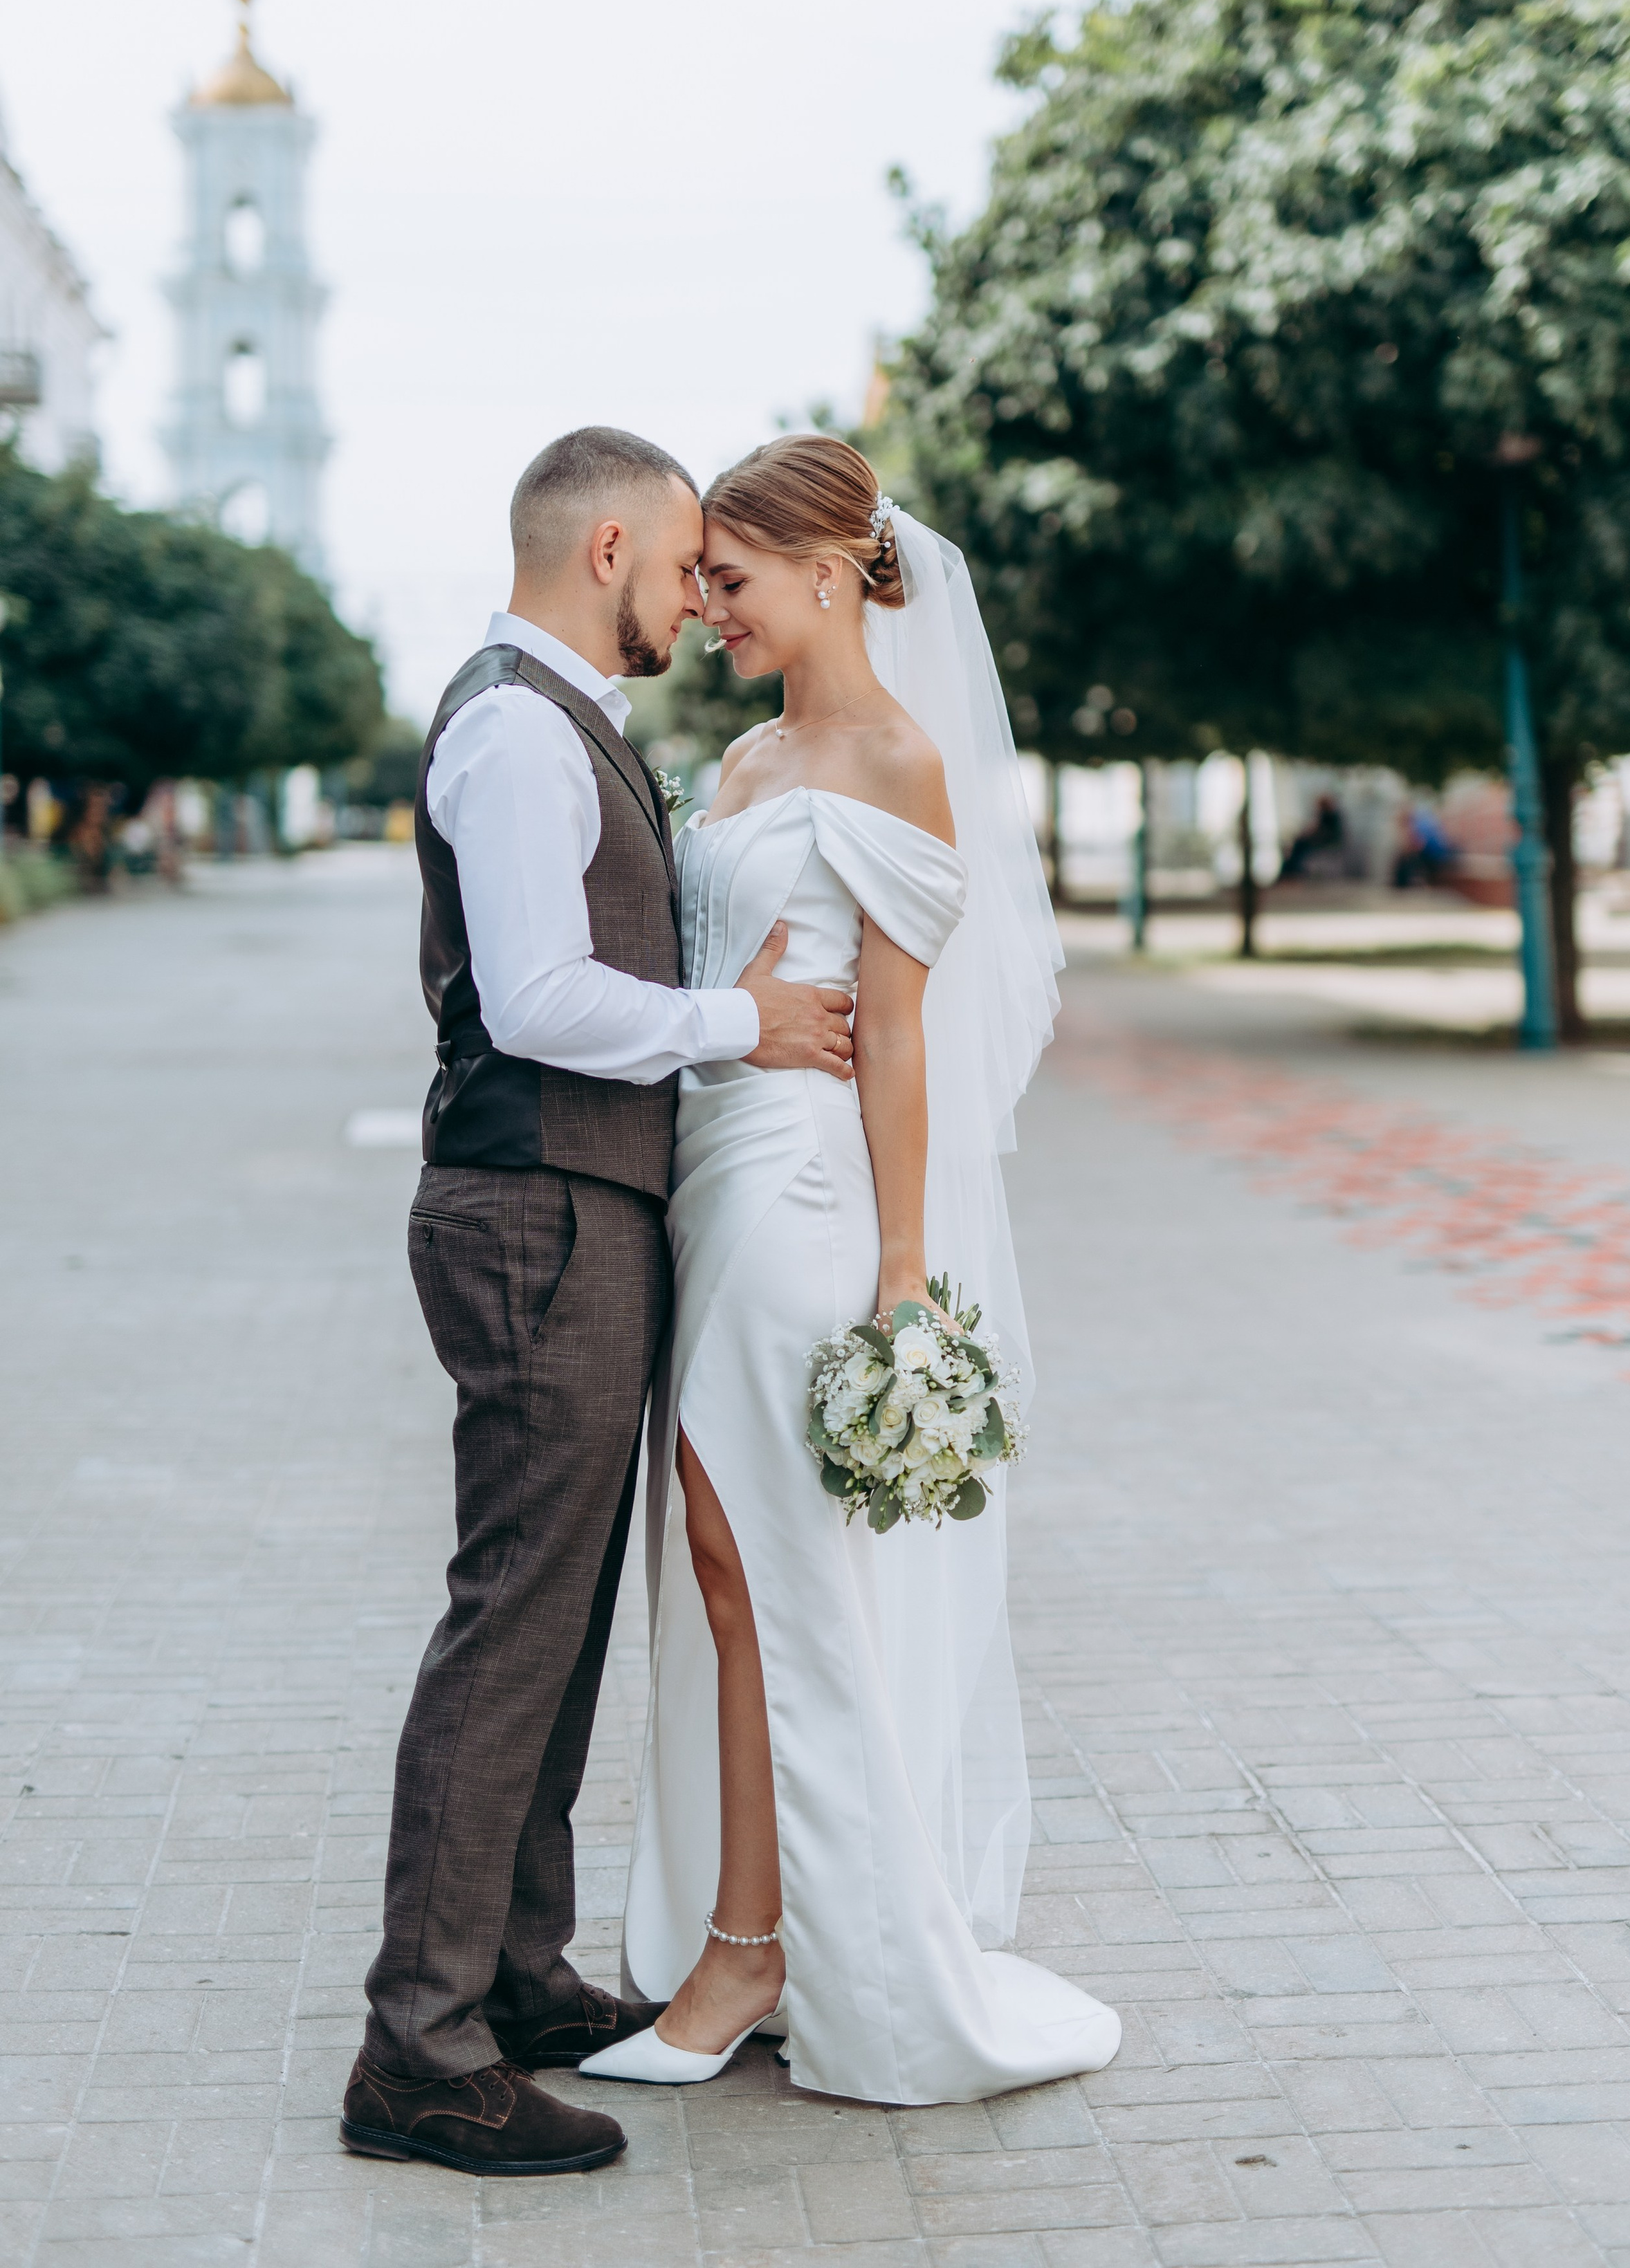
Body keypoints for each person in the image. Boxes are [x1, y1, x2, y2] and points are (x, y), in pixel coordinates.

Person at [340, 427, 857, 2177]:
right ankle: (417, 2051)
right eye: (685, 562)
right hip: (531, 1211)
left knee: (551, 1620)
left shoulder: (567, 721)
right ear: (611, 542)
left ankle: (509, 1974)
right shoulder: (509, 726)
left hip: (585, 1205)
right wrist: (746, 1028)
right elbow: (540, 998)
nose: (694, 594)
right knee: (512, 1618)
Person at [582, 435, 1120, 2103]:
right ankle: (754, 1932)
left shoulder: (893, 757)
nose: (707, 607)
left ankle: (757, 1949)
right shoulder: (744, 755)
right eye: (701, 580)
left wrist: (902, 1269)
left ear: (830, 572)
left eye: (729, 580)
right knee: (721, 1565)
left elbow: (895, 1038)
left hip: (804, 1199)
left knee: (767, 1570)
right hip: (708, 1178)